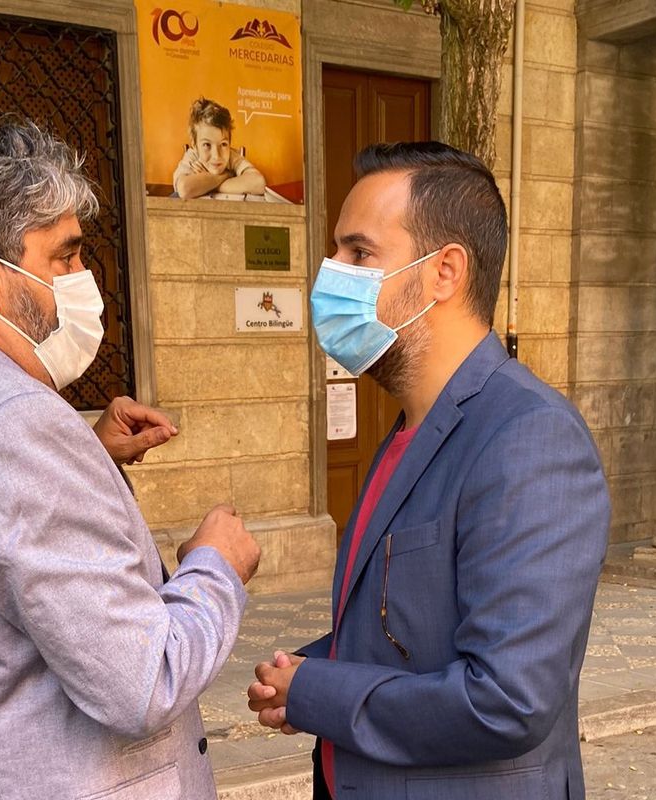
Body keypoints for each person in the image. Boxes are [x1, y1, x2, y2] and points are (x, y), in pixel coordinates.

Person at [0, 116, 260, 799]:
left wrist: (87, 456)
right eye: (64, 257)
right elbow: (142, 681)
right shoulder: (16, 423)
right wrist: (216, 567)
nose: (83, 279)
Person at [247, 142, 611, 799]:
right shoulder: (410, 431)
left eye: (359, 253)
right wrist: (307, 669)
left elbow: (508, 699)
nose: (332, 275)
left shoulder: (529, 438)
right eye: (336, 251)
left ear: (445, 272)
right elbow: (412, 629)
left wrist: (320, 692)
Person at [172, 97, 266, 199]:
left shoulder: (231, 156)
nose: (216, 156)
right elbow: (185, 189)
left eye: (223, 144)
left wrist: (207, 184)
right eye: (207, 145)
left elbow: (259, 183)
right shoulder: (193, 156)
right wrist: (226, 175)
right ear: (195, 145)